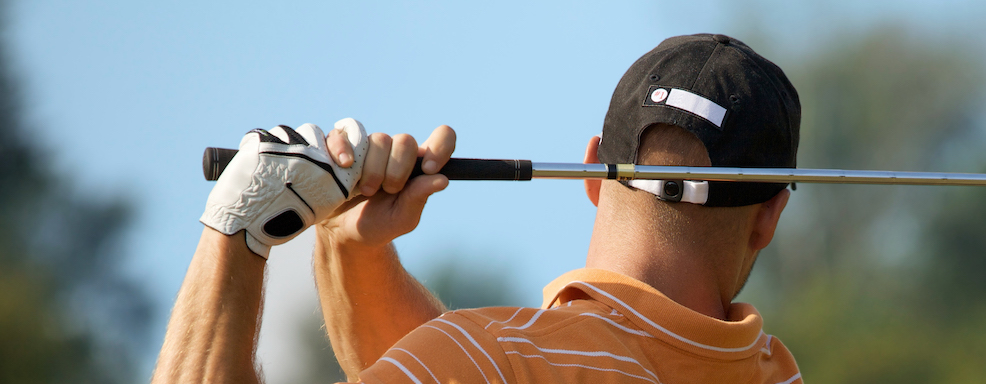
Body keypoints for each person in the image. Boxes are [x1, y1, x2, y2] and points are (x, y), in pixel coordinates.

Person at [153, 34, 804, 384]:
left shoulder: (485, 358)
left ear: (591, 172)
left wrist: (237, 227)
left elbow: (481, 365)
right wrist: (352, 248)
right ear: (769, 216)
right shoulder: (776, 374)